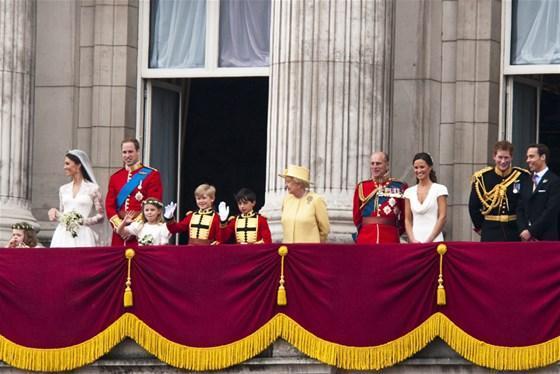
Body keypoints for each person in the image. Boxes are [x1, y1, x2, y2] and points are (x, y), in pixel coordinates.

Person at [468, 141, 530, 241]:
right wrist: (481, 227)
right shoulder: (483, 178)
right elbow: (473, 206)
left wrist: (524, 227)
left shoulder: (522, 176)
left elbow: (525, 205)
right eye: (500, 157)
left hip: (514, 230)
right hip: (490, 230)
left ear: (511, 158)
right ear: (494, 157)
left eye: (506, 158)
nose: (503, 161)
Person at [106, 138, 163, 246]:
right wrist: (120, 227)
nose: (127, 155)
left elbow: (154, 203)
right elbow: (109, 206)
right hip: (119, 233)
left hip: (140, 231)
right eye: (124, 152)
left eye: (130, 151)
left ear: (138, 152)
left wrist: (132, 229)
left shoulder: (152, 175)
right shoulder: (115, 177)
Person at [48, 150, 107, 247]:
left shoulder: (93, 189)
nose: (64, 167)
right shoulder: (63, 189)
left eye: (67, 163)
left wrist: (83, 221)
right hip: (63, 234)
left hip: (83, 235)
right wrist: (54, 212)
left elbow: (101, 215)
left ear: (79, 165)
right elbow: (62, 213)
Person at [353, 152, 408, 244]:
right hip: (366, 237)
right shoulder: (362, 186)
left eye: (378, 163)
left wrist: (396, 232)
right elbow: (356, 216)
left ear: (387, 165)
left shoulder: (399, 187)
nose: (375, 166)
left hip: (390, 237)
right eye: (372, 163)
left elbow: (405, 216)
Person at [517, 144, 560, 241]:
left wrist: (531, 231)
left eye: (531, 156)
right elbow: (520, 208)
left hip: (546, 238)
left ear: (543, 157)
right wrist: (523, 230)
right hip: (525, 239)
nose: (528, 160)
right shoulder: (525, 181)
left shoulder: (554, 181)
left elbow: (551, 211)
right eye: (527, 157)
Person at [403, 153, 448, 243]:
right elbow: (407, 220)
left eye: (422, 167)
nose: (419, 170)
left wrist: (429, 240)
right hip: (415, 241)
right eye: (416, 168)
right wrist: (412, 240)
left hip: (434, 240)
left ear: (430, 167)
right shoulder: (409, 192)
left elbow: (442, 217)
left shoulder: (440, 189)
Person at [279, 165, 330, 243]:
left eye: (288, 182)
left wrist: (316, 246)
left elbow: (324, 229)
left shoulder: (316, 200)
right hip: (288, 251)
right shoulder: (286, 200)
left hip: (308, 251)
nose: (286, 185)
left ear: (299, 184)